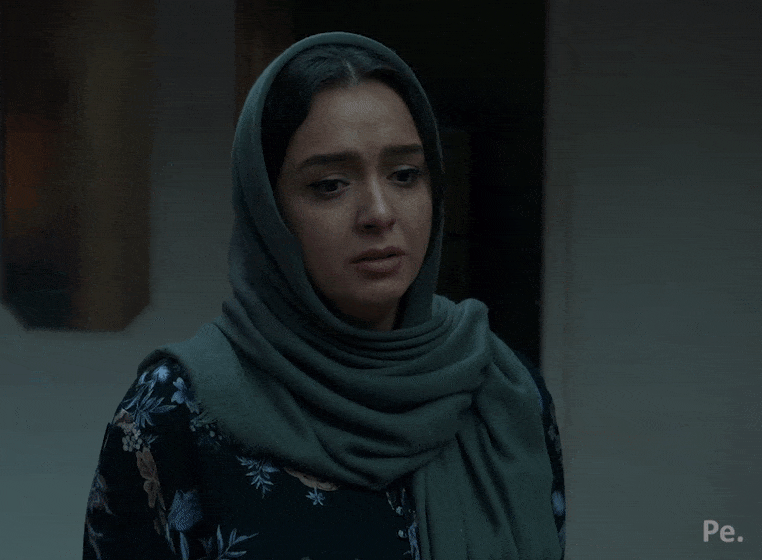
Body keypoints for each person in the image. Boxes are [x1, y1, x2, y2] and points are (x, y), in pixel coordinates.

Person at [83, 31, 566, 560]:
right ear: (268, 210)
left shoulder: (501, 391)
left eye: (405, 175)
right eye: (330, 184)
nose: (379, 212)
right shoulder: (175, 412)